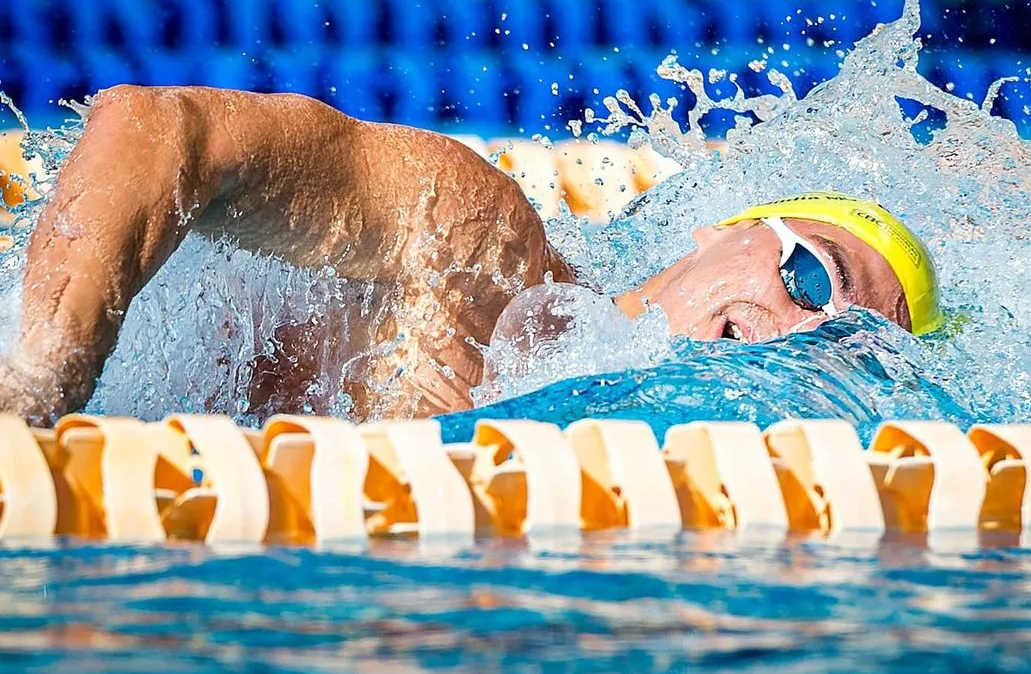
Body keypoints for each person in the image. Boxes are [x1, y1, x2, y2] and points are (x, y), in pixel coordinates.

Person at [0, 85, 942, 425]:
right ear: (726, 231)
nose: (800, 332)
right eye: (815, 276)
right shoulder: (476, 244)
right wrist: (32, 397)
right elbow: (159, 131)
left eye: (844, 350)